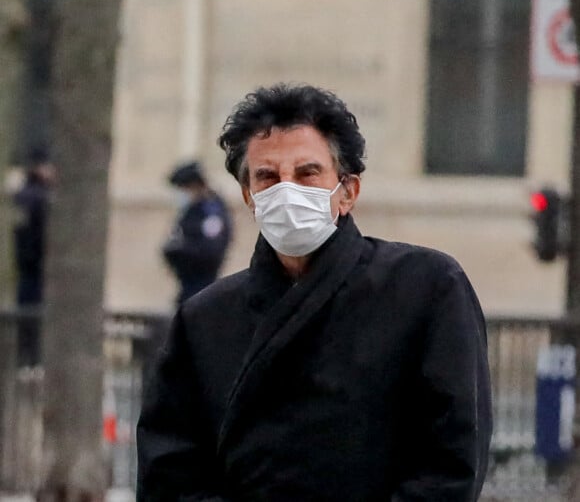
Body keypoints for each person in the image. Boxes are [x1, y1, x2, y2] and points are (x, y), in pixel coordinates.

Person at [137, 84, 492, 501]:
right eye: (268, 176)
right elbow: (170, 470)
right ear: (249, 197)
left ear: (347, 191)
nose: (287, 191)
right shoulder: (205, 320)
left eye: (307, 173)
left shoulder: (426, 289)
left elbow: (451, 460)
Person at [162, 160, 232, 309]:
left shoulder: (211, 210)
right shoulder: (190, 212)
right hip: (187, 286)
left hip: (203, 286)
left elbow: (211, 249)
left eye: (184, 188)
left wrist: (182, 250)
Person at [13, 148, 55, 366]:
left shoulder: (22, 196)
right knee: (36, 328)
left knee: (26, 327)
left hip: (26, 271)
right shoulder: (43, 199)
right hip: (37, 272)